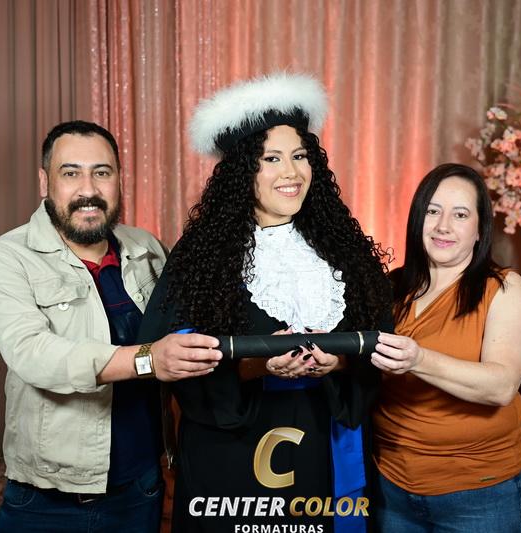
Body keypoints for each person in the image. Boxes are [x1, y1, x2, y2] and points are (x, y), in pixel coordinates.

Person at [137, 73, 392, 532]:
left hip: (323, 443)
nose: (290, 172)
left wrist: (338, 363)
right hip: (232, 457)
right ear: (242, 173)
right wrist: (255, 366)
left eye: (299, 156)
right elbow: (170, 355)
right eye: (271, 159)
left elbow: (380, 343)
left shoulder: (344, 250)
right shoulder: (201, 256)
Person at [0, 120, 222, 533]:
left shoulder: (147, 248)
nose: (88, 190)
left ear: (119, 180)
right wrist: (149, 359)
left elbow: (190, 328)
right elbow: (35, 355)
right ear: (45, 181)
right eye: (71, 173)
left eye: (101, 172)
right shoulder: (5, 258)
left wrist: (265, 352)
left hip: (141, 487)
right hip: (48, 499)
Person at [370, 163, 521, 533]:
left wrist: (419, 358)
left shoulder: (504, 288)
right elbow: (361, 366)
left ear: (480, 230)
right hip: (391, 486)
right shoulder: (390, 288)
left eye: (460, 215)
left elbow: (501, 386)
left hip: (479, 493)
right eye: (433, 211)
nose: (443, 226)